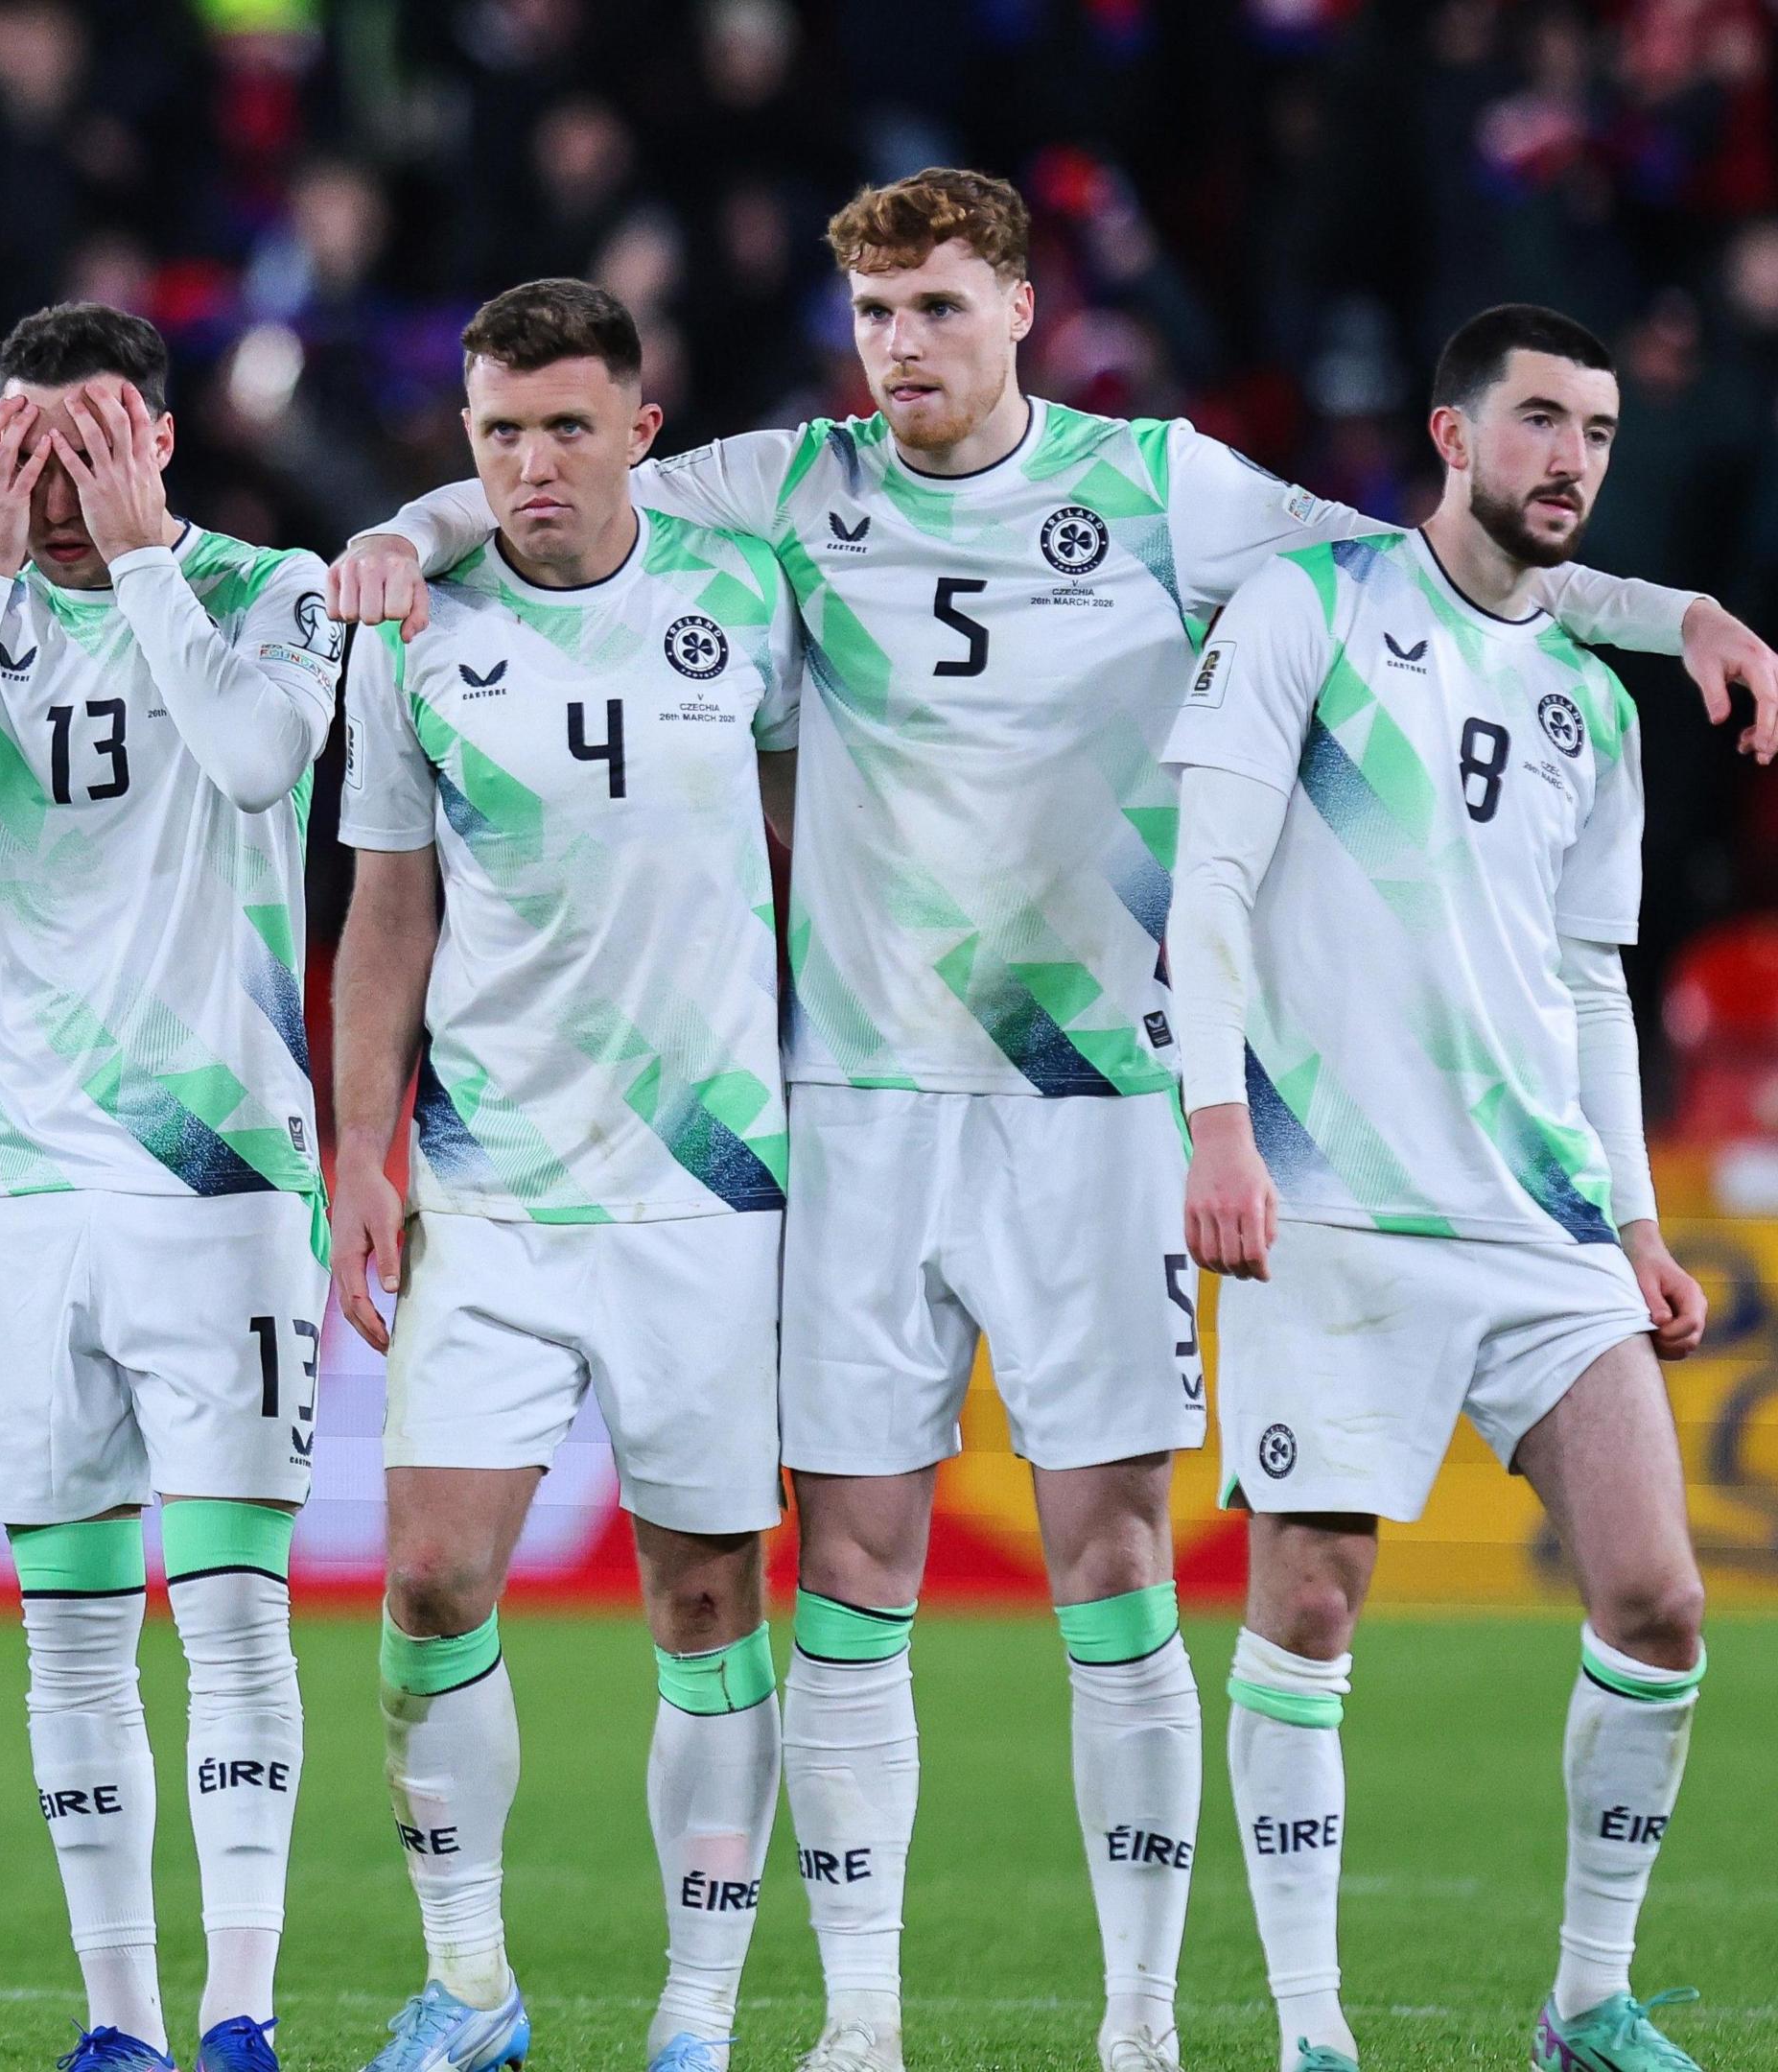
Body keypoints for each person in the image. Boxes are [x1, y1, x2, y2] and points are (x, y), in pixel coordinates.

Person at [327, 167, 1778, 2072]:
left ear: (1020, 308)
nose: (899, 350)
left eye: (936, 309)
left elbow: (1430, 557)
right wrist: (396, 535)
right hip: (856, 1109)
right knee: (853, 1574)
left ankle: (1145, 2027)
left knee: (1108, 1565)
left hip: (1099, 1112)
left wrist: (1666, 613)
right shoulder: (799, 488)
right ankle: (858, 2028)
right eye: (874, 317)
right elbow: (549, 484)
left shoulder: (1161, 489)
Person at [1170, 306, 1720, 2072]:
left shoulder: (1592, 703)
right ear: (1452, 436)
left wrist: (1634, 1222)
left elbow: (1586, 988)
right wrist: (1216, 1124)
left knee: (1659, 1601)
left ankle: (1586, 1999)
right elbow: (1211, 880)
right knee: (1311, 1610)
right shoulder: (1310, 613)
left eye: (1602, 433)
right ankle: (1315, 2033)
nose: (1573, 460)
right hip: (1333, 1208)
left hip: (1540, 1223)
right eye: (1542, 422)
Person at [0, 303, 332, 2072]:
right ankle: (122, 2021)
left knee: (227, 1615)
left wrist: (142, 572)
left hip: (222, 1182)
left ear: (156, 442)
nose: (56, 487)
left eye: (89, 448)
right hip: (32, 1191)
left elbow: (261, 760)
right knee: (69, 1634)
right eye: (22, 451)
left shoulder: (272, 594)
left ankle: (240, 2011)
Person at [330, 279, 800, 2072]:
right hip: (492, 1184)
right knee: (435, 1582)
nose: (531, 463)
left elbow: (820, 831)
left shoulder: (747, 598)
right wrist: (358, 1152)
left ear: (642, 433)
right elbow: (385, 912)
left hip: (705, 1189)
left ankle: (695, 2014)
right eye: (499, 432)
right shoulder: (414, 632)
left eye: (567, 427)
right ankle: (469, 1989)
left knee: (702, 1596)